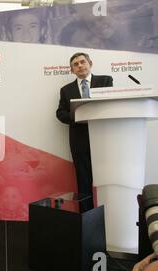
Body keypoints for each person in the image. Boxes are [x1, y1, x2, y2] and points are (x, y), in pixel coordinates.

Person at [56, 53, 113, 207]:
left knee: (109, 182)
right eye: (75, 64)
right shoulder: (66, 90)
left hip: (104, 139)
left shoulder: (105, 81)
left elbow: (110, 105)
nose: (80, 65)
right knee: (83, 183)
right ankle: (87, 221)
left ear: (90, 63)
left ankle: (109, 216)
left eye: (82, 62)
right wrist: (79, 116)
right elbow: (60, 113)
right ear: (72, 70)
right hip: (79, 142)